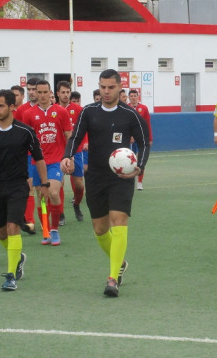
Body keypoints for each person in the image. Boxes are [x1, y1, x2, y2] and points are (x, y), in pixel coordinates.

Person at [61, 69, 150, 297]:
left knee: (119, 220)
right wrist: (67, 156)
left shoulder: (130, 115)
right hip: (96, 176)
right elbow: (75, 138)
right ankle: (119, 262)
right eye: (103, 87)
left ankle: (112, 278)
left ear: (120, 88)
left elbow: (144, 143)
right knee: (100, 229)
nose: (106, 91)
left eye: (111, 87)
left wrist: (139, 165)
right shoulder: (88, 112)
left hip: (122, 178)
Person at [0, 89, 49, 291]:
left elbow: (39, 158)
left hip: (17, 186)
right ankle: (18, 257)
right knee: (1, 232)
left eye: (1, 106)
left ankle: (11, 275)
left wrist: (44, 184)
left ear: (12, 107)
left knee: (13, 227)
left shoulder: (25, 132)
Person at [22, 80, 72, 246]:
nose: (42, 96)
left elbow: (69, 136)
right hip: (37, 162)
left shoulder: (61, 112)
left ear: (51, 93)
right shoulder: (29, 114)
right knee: (41, 196)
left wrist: (69, 157)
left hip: (56, 161)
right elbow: (25, 141)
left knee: (54, 193)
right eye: (39, 92)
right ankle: (45, 229)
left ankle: (55, 229)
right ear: (35, 93)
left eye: (45, 92)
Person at [13, 77, 40, 235]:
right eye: (29, 89)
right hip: (28, 155)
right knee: (29, 186)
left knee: (44, 190)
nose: (31, 92)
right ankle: (30, 221)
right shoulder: (21, 110)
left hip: (47, 155)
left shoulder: (51, 109)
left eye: (34, 89)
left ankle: (52, 219)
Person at [57, 81, 85, 222]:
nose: (66, 95)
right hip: (58, 153)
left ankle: (76, 204)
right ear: (58, 94)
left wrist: (85, 141)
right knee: (59, 183)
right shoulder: (53, 110)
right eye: (63, 92)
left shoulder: (79, 109)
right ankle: (60, 213)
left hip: (76, 151)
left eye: (68, 92)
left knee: (79, 185)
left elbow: (84, 128)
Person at [128, 89, 153, 190]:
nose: (133, 98)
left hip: (141, 138)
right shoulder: (127, 108)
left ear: (138, 97)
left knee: (141, 159)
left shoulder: (144, 108)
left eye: (135, 96)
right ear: (129, 97)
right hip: (130, 140)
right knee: (129, 160)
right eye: (131, 96)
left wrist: (150, 138)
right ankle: (130, 180)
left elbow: (147, 124)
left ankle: (139, 182)